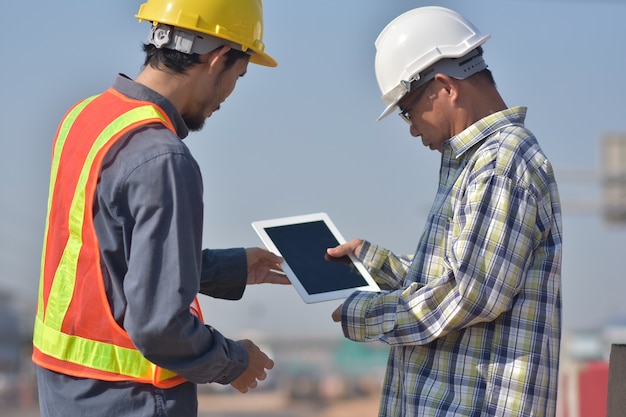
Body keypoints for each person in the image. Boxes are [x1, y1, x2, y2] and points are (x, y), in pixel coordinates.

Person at [32, 1, 290, 416]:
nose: (228, 95)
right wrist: (233, 362)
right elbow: (159, 327)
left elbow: (106, 258)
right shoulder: (163, 158)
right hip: (129, 398)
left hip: (65, 392)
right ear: (219, 58)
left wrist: (232, 269)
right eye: (238, 76)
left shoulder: (85, 119)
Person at [329, 6, 563, 416]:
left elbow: (472, 295)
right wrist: (372, 263)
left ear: (444, 87)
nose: (413, 128)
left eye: (408, 110)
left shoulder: (501, 163)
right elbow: (459, 278)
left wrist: (367, 314)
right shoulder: (476, 163)